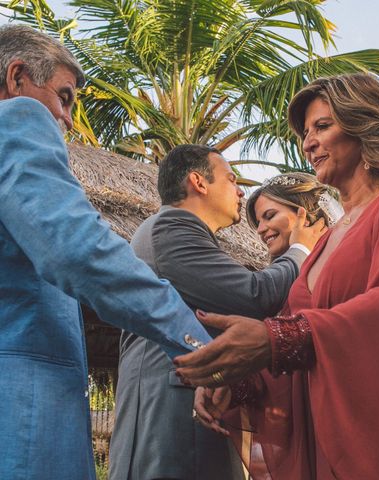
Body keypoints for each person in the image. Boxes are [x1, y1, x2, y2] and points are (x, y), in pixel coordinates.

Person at [179, 73, 379, 479]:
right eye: (305, 132)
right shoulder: (326, 243)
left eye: (322, 126)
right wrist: (240, 377)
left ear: (363, 125)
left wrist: (278, 338)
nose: (307, 142)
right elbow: (301, 360)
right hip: (325, 446)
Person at [0, 24, 218, 479]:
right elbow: (78, 249)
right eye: (64, 98)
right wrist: (196, 340)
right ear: (16, 79)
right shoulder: (18, 119)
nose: (66, 120)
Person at [109, 148, 326, 480]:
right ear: (199, 182)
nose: (239, 191)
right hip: (173, 420)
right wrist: (301, 248)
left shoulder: (181, 235)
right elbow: (257, 296)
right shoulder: (171, 227)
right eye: (231, 178)